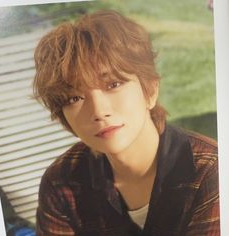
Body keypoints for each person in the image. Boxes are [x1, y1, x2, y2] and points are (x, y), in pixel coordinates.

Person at [33, 10, 219, 235]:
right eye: (75, 98)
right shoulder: (61, 182)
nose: (99, 112)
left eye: (113, 84)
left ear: (149, 90)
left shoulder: (212, 171)